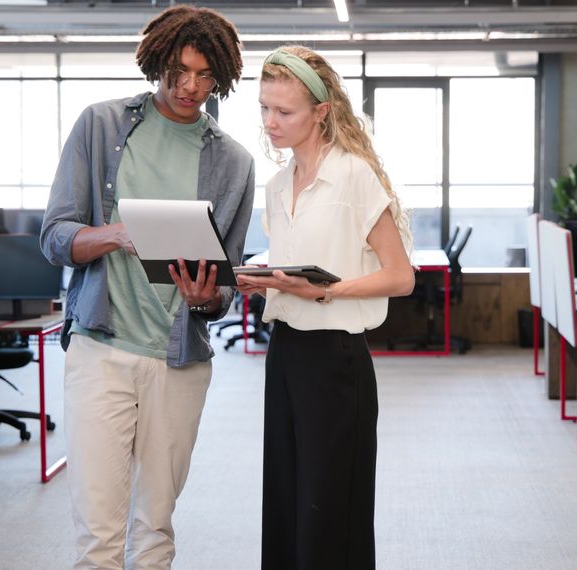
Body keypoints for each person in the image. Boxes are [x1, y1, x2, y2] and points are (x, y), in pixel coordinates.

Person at [40, 6, 254, 569]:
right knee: (98, 529)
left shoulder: (233, 162)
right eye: (179, 71)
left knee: (155, 524)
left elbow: (225, 283)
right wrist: (114, 234)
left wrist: (207, 296)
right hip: (101, 349)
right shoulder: (101, 125)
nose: (190, 87)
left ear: (223, 77)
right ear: (157, 61)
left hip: (177, 357)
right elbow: (56, 236)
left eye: (206, 76)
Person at [236, 46, 415, 570]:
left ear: (321, 111)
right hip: (285, 353)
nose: (271, 122)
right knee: (288, 494)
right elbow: (294, 264)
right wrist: (263, 278)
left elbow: (400, 277)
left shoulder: (354, 177)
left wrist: (327, 291)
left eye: (284, 111)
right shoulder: (275, 185)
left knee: (330, 501)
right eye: (265, 109)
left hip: (337, 359)